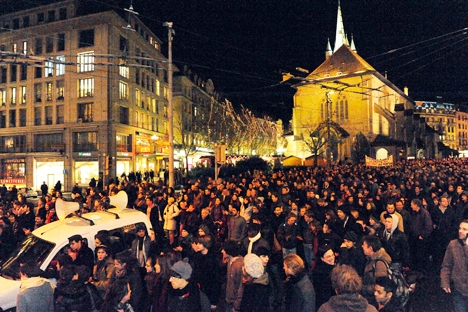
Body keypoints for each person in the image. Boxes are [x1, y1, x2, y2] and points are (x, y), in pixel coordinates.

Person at [440, 219, 468, 312]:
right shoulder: (453, 244)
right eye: (460, 228)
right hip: (459, 288)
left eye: (464, 229)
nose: (460, 231)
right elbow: (446, 265)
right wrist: (445, 281)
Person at [361, 235, 392, 304]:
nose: (362, 246)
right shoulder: (370, 259)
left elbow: (380, 285)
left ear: (370, 248)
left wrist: (363, 288)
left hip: (374, 299)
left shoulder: (379, 264)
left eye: (364, 245)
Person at [222, 240, 244, 312]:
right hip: (228, 300)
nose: (222, 251)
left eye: (224, 250)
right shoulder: (230, 262)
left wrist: (236, 306)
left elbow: (240, 287)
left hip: (234, 304)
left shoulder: (239, 266)